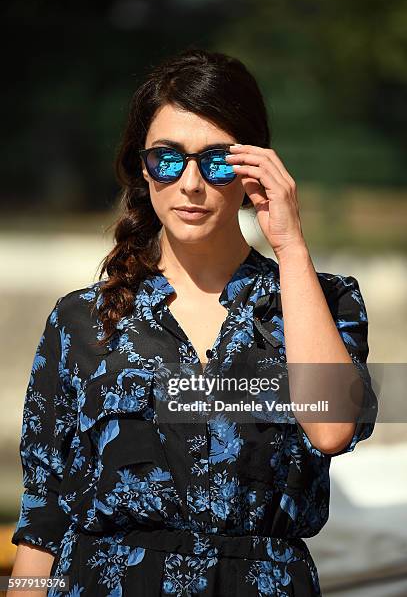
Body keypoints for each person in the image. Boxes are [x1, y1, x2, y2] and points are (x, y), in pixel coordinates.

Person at [9, 48, 377, 597]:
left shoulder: (323, 302)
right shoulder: (80, 321)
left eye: (218, 159)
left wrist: (291, 245)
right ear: (142, 165)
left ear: (256, 165)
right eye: (168, 158)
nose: (191, 183)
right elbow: (43, 521)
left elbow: (331, 430)